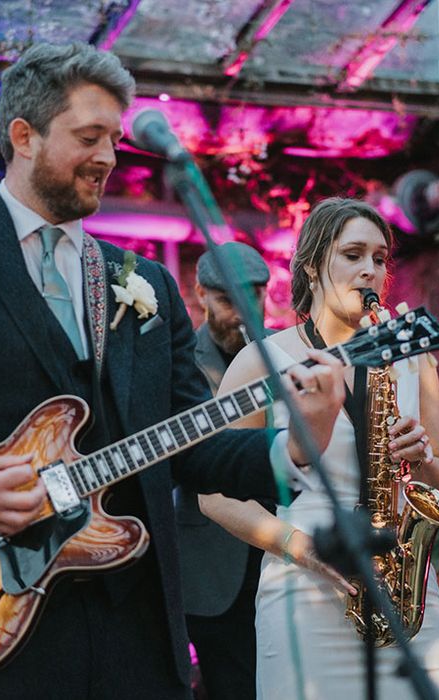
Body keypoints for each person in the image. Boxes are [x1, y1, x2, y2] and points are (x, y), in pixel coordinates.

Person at [0, 42, 346, 700]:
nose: (109, 158)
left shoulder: (143, 281)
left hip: (136, 635)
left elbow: (191, 443)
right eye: (89, 137)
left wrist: (295, 442)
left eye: (115, 139)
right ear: (24, 137)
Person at [199, 197, 439, 699]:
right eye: (353, 254)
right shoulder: (263, 359)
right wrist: (299, 549)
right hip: (303, 587)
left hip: (405, 587)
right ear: (312, 264)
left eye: (378, 258)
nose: (369, 270)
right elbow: (211, 494)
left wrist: (424, 458)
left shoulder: (411, 359)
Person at [175, 242, 271, 699]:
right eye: (229, 301)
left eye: (255, 298)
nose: (243, 313)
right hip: (215, 567)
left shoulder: (290, 354)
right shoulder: (181, 365)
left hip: (287, 551)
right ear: (201, 295)